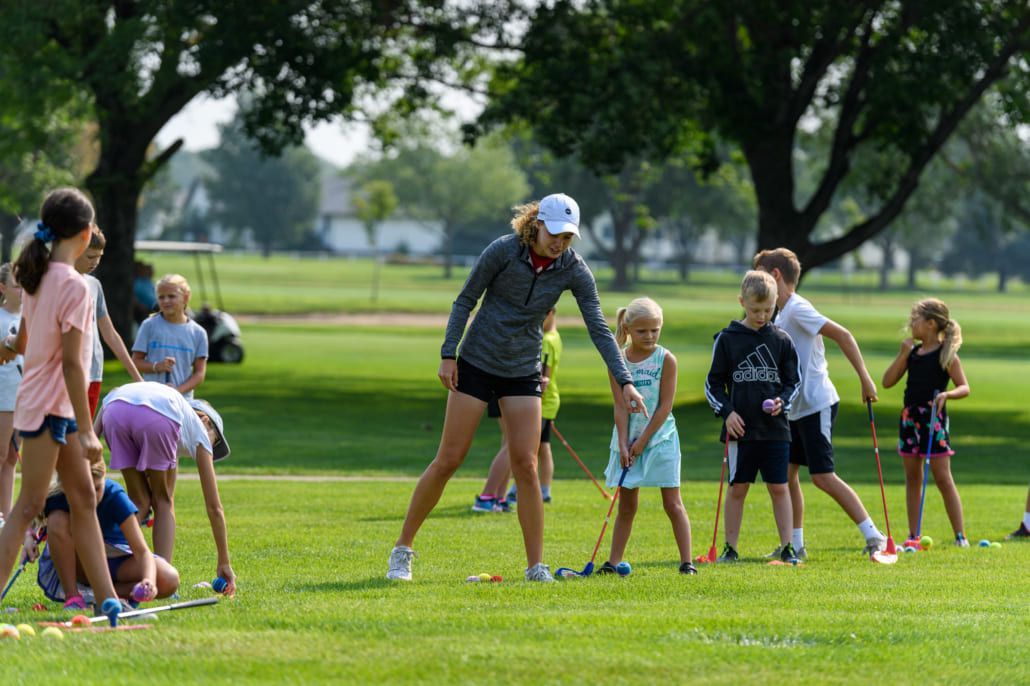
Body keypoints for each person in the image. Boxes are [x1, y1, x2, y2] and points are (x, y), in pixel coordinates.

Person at [386, 193, 647, 583]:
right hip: (476, 362)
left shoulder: (573, 269)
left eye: (568, 237)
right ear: (537, 223)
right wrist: (448, 353)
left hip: (522, 369)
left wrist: (625, 381)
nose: (559, 243)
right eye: (554, 233)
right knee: (450, 459)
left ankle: (535, 567)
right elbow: (465, 301)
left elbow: (598, 326)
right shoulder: (503, 252)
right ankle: (402, 551)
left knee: (526, 464)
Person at [0, 187, 122, 623]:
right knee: (29, 506)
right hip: (48, 411)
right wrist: (89, 430)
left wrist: (10, 347)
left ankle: (108, 601)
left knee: (84, 498)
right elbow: (73, 365)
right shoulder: (75, 286)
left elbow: (26, 338)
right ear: (87, 235)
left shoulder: (37, 275)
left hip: (56, 409)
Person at [753, 248, 887, 558]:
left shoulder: (798, 308)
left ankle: (874, 536)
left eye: (760, 276)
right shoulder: (780, 314)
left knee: (823, 476)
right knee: (787, 476)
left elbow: (843, 335)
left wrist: (865, 379)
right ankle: (795, 545)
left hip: (816, 404)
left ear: (775, 276)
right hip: (793, 409)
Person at [93, 381, 236, 593]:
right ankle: (162, 576)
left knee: (139, 500)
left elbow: (105, 410)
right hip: (157, 419)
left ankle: (98, 564)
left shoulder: (177, 411)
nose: (211, 450)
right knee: (163, 501)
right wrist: (224, 561)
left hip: (113, 411)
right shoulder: (199, 430)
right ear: (206, 420)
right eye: (214, 443)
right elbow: (215, 508)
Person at [705, 271, 801, 563]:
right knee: (738, 488)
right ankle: (730, 548)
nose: (762, 316)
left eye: (769, 310)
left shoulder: (782, 340)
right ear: (742, 302)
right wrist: (727, 413)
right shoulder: (726, 339)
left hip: (775, 430)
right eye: (756, 310)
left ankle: (787, 547)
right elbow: (712, 385)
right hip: (740, 431)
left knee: (779, 487)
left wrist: (782, 402)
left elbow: (793, 382)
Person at [598, 297, 695, 575]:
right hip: (628, 440)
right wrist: (623, 443)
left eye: (655, 329)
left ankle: (686, 562)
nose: (650, 336)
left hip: (660, 439)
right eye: (642, 331)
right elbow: (619, 406)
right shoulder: (617, 362)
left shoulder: (666, 360)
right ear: (627, 329)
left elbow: (665, 406)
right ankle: (613, 562)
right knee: (627, 506)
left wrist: (643, 442)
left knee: (672, 503)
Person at [881, 298, 971, 546]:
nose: (911, 323)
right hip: (910, 419)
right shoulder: (912, 353)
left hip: (933, 419)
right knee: (913, 477)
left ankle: (960, 536)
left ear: (931, 324)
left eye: (915, 319)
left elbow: (964, 387)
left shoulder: (946, 354)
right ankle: (913, 535)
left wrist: (947, 394)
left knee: (943, 477)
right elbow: (887, 382)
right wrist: (902, 354)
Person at [35, 460, 180, 609]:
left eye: (97, 488)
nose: (92, 496)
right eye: (85, 490)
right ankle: (73, 597)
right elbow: (31, 518)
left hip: (117, 561)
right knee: (57, 520)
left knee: (169, 578)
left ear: (104, 479)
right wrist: (29, 538)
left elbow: (142, 551)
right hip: (81, 566)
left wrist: (148, 580)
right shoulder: (60, 497)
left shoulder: (114, 495)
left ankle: (101, 594)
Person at [473, 307, 561, 511]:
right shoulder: (545, 338)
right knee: (512, 445)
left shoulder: (547, 338)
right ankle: (488, 496)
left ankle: (500, 498)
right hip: (510, 392)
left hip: (522, 394)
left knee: (512, 444)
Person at [75, 226, 144, 417]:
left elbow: (110, 334)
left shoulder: (94, 285)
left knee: (82, 438)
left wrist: (138, 378)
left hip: (94, 372)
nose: (95, 262)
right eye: (90, 257)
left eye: (99, 257)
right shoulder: (58, 283)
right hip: (67, 374)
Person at [132, 274, 208, 398]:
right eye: (161, 297)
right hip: (151, 398)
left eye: (171, 296)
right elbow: (135, 362)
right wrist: (157, 366)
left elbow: (199, 374)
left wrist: (177, 392)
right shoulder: (149, 325)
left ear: (186, 297)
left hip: (183, 401)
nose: (166, 301)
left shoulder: (198, 333)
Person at [0, 264, 22, 520]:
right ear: (3, 288)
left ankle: (5, 515)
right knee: (1, 454)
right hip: (4, 396)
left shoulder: (31, 316)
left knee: (12, 459)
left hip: (25, 396)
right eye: (17, 284)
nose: (23, 289)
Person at [132, 260, 157, 324]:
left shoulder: (149, 281)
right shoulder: (137, 282)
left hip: (155, 308)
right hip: (146, 311)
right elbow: (133, 297)